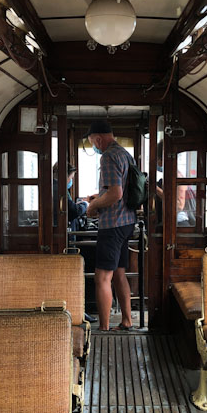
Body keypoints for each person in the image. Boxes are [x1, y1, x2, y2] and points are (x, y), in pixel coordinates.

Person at [85, 121, 137, 331]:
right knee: (119, 273)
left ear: (98, 139)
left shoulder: (108, 156)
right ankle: (126, 320)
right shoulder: (125, 154)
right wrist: (100, 197)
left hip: (112, 224)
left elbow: (116, 194)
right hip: (126, 222)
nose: (95, 148)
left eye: (92, 143)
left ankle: (104, 328)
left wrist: (93, 206)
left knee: (102, 278)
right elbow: (120, 189)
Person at [156, 140, 196, 227]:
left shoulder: (177, 176)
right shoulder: (168, 176)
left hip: (179, 223)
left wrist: (157, 190)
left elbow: (179, 206)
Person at [52, 162, 87, 231]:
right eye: (71, 178)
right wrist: (85, 204)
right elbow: (73, 211)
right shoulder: (59, 189)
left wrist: (75, 205)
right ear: (65, 176)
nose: (71, 181)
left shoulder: (54, 187)